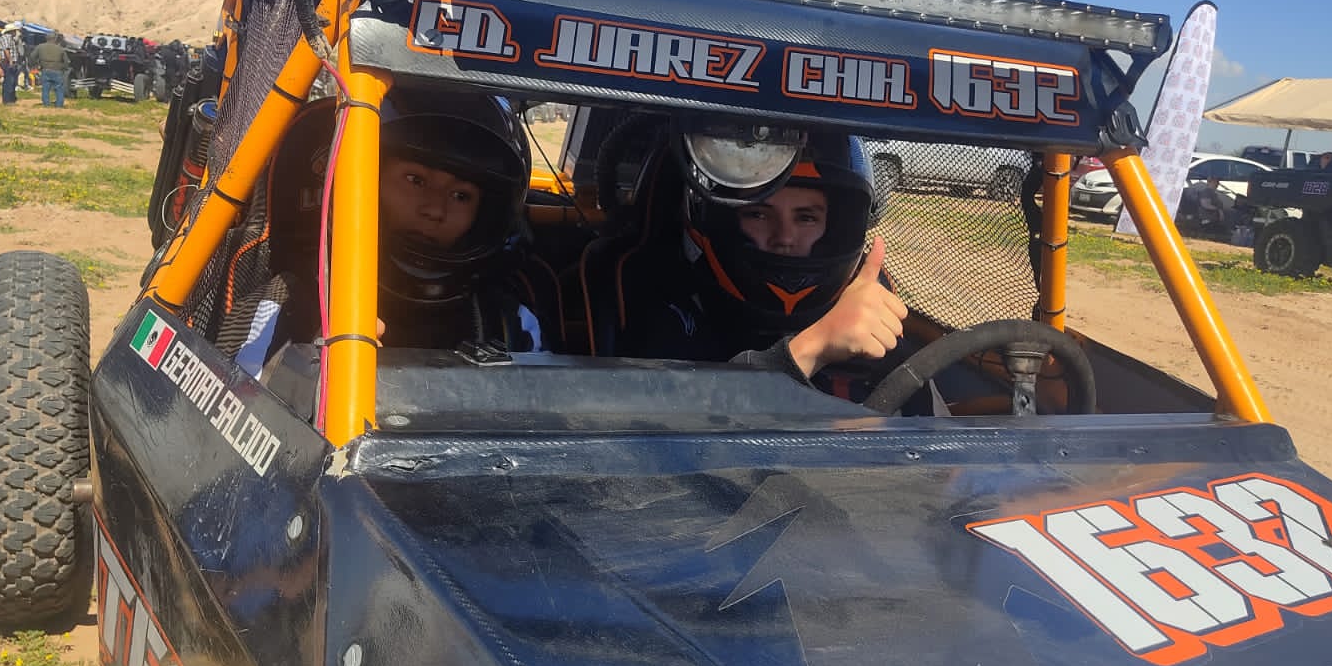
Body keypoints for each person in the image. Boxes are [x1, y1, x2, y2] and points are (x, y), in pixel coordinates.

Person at [234, 90, 548, 391]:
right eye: (415, 180)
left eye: (460, 196)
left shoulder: (510, 324)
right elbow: (241, 409)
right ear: (366, 177)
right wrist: (313, 374)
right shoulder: (289, 304)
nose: (435, 209)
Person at [611, 122, 908, 394]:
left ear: (833, 227)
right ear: (721, 217)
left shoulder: (869, 310)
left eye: (806, 218)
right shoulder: (663, 303)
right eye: (758, 214)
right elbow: (668, 417)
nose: (784, 237)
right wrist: (815, 346)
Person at [29, 30, 68, 107]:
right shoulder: (60, 49)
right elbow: (66, 61)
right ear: (55, 39)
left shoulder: (40, 47)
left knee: (45, 88)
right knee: (59, 88)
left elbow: (32, 57)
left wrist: (36, 65)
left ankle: (46, 104)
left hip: (45, 69)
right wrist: (63, 68)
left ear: (46, 38)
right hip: (57, 70)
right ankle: (59, 105)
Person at [0, 24, 21, 105]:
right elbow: (6, 50)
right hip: (7, 62)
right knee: (9, 81)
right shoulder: (6, 37)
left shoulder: (11, 38)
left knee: (12, 81)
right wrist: (10, 61)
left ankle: (11, 99)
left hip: (11, 61)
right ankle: (8, 100)